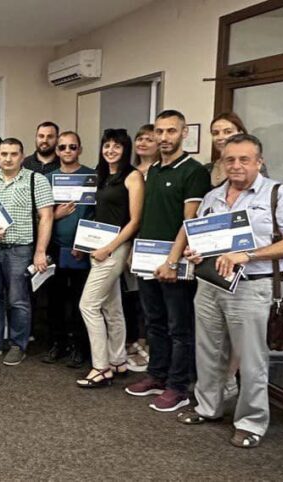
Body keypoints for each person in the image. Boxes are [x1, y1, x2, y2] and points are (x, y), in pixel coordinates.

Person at [178, 133, 283, 449]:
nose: (236, 166)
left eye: (244, 159)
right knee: (208, 351)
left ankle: (251, 422)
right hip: (211, 283)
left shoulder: (279, 194)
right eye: (230, 160)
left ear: (259, 162)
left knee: (252, 360)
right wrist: (194, 253)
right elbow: (203, 240)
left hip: (252, 287)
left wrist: (247, 255)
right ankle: (208, 407)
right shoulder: (212, 197)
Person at [124, 110, 211, 412]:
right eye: (159, 131)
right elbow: (148, 216)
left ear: (183, 133)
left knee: (179, 327)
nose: (164, 137)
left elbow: (190, 222)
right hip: (148, 259)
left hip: (174, 264)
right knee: (154, 322)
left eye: (171, 131)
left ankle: (178, 386)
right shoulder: (155, 171)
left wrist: (172, 262)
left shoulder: (193, 172)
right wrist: (135, 250)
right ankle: (157, 375)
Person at [0, 138, 54, 366]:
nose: (8, 158)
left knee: (18, 300)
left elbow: (46, 217)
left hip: (20, 249)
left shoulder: (35, 180)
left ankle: (18, 345)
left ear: (22, 156)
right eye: (4, 154)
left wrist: (40, 251)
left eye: (13, 154)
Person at [76, 129, 144, 387]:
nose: (111, 150)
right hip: (98, 246)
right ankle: (118, 361)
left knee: (88, 305)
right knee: (111, 308)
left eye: (117, 146)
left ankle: (100, 367)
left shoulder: (132, 176)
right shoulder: (103, 175)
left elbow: (134, 221)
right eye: (107, 146)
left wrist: (110, 248)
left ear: (126, 149)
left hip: (115, 248)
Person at [41, 131, 94, 367]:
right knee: (55, 300)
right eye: (62, 147)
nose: (67, 151)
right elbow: (39, 216)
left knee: (79, 301)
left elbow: (96, 214)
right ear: (57, 151)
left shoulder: (91, 176)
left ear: (79, 149)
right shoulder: (48, 179)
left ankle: (79, 347)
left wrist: (84, 244)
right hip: (55, 248)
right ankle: (57, 344)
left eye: (72, 147)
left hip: (82, 249)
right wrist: (56, 214)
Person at [126, 123, 158, 369]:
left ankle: (148, 345)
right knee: (134, 295)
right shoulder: (130, 171)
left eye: (149, 139)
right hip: (129, 239)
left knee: (152, 299)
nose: (143, 143)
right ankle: (137, 339)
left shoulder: (159, 172)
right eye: (140, 139)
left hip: (152, 242)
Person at [208, 112, 263, 187]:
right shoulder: (207, 169)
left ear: (240, 133)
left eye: (228, 132)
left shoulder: (254, 165)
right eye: (215, 133)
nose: (220, 137)